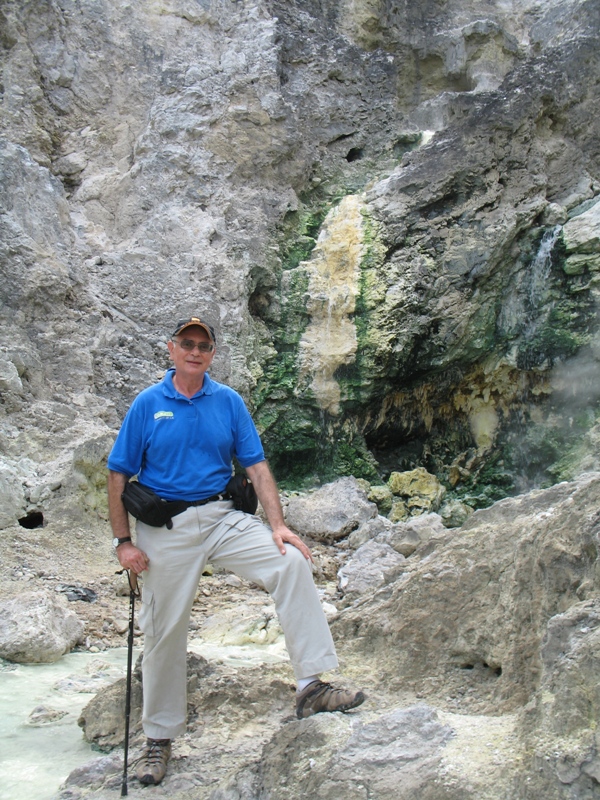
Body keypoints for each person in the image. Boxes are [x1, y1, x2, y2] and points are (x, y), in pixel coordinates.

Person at [107, 316, 365, 786]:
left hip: (225, 517)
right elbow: (118, 474)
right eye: (187, 343)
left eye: (203, 345)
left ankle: (311, 686)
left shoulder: (228, 401)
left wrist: (279, 525)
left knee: (290, 563)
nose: (195, 351)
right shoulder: (148, 404)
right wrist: (124, 543)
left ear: (211, 354)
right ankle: (159, 737)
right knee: (163, 628)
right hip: (165, 526)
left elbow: (257, 466)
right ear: (171, 350)